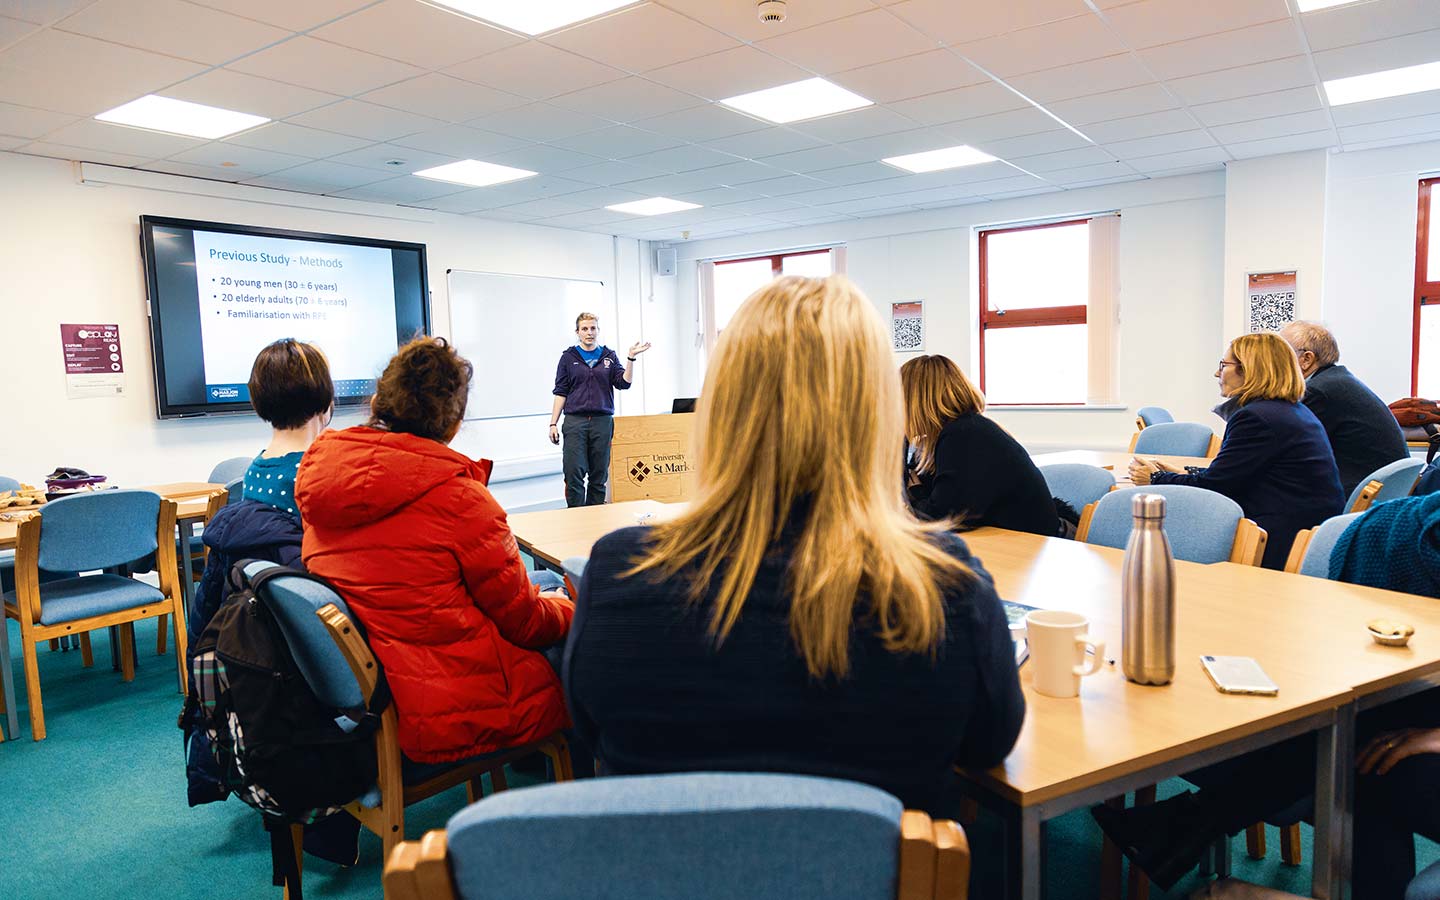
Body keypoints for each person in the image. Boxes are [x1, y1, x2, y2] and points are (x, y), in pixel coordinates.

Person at [564, 275, 1026, 815]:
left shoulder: (619, 573)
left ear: (719, 408)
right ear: (878, 413)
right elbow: (990, 743)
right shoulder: (945, 587)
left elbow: (591, 732)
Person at [296, 336, 575, 767]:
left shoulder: (323, 481)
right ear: (453, 422)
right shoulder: (459, 499)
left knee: (546, 582)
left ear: (378, 402)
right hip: (445, 699)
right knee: (576, 614)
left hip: (376, 687)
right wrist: (573, 608)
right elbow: (526, 625)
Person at [184, 338, 354, 863]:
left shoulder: (254, 472)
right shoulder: (324, 469)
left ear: (260, 403)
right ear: (326, 401)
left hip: (267, 648)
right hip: (327, 645)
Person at [1129, 332, 1344, 569]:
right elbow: (1240, 474)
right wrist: (1188, 473)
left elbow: (1217, 487)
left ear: (1249, 369)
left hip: (1275, 540)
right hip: (1305, 532)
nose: (1216, 373)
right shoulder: (1289, 411)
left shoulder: (1256, 417)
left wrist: (1155, 478)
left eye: (1224, 365)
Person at [901, 354, 1060, 536]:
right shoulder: (950, 433)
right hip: (1008, 540)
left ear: (915, 401)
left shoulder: (965, 435)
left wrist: (917, 492)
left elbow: (943, 518)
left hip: (1036, 546)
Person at [1279, 320, 1409, 499]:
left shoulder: (1320, 391)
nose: (1273, 361)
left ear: (1306, 359)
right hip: (1381, 493)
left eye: (1280, 353)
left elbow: (1284, 450)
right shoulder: (1336, 380)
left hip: (1357, 495)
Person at [548, 312, 650, 507]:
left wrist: (631, 358)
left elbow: (624, 383)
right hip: (575, 422)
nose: (589, 332)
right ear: (577, 332)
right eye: (585, 329)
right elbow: (560, 392)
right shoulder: (568, 358)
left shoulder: (608, 356)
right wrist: (553, 423)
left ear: (598, 330)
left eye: (593, 328)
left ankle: (594, 518)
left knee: (599, 474)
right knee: (574, 473)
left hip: (602, 422)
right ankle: (575, 517)